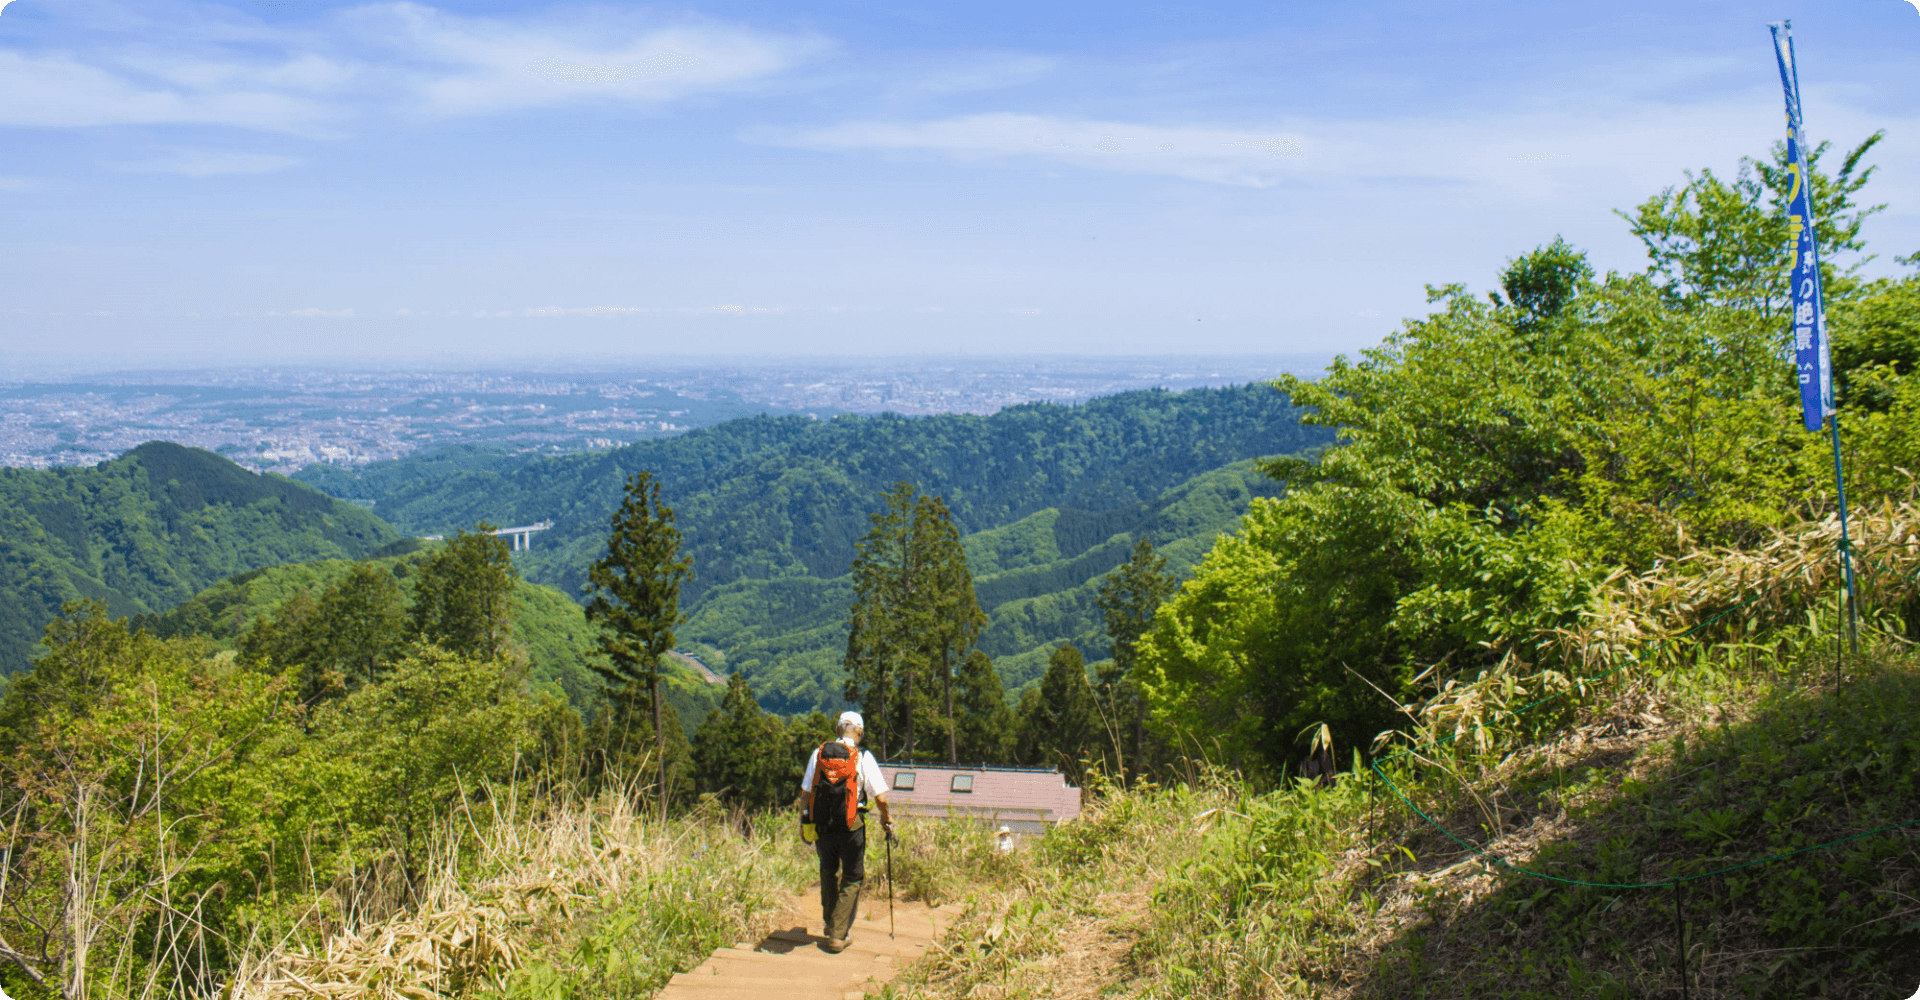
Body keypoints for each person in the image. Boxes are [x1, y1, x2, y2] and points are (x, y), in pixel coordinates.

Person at [799, 710, 892, 952]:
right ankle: (838, 935)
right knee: (852, 877)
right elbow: (880, 797)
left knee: (828, 871)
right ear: (858, 731)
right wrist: (886, 819)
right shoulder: (862, 756)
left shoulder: (819, 753)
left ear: (839, 728)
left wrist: (805, 821)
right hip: (852, 824)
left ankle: (831, 924)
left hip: (822, 824)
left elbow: (806, 793)